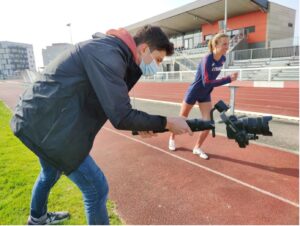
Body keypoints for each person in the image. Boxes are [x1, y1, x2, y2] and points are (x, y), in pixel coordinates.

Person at [10, 25, 192, 225]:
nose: (157, 66)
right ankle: (37, 218)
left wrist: (138, 124)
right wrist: (167, 122)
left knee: (50, 173)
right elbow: (121, 116)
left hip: (43, 118)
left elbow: (109, 104)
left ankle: (37, 218)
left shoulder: (113, 52)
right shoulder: (108, 55)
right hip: (47, 125)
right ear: (144, 49)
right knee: (97, 189)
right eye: (157, 59)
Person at [168, 33, 238, 159]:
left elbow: (209, 83)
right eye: (225, 44)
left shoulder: (223, 59)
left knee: (208, 123)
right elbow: (206, 81)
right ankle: (172, 138)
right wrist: (228, 79)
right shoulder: (207, 59)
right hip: (194, 91)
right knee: (181, 119)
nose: (228, 46)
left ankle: (197, 147)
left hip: (205, 93)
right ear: (215, 45)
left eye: (228, 43)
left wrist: (227, 79)